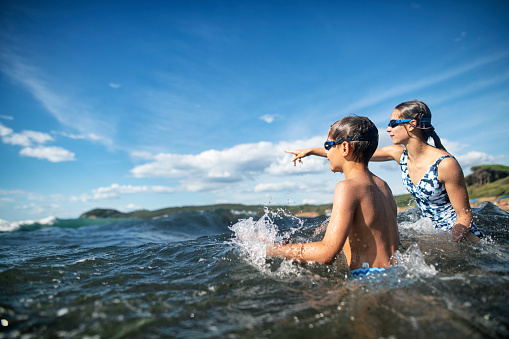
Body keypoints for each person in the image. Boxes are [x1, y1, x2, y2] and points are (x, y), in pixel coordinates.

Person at [286, 100, 481, 243]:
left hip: (458, 235)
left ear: (412, 125)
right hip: (431, 231)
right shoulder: (399, 154)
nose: (388, 129)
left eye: (393, 124)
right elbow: (354, 150)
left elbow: (464, 215)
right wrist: (312, 151)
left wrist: (451, 246)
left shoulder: (445, 164)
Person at [267, 116, 399, 278]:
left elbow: (327, 253)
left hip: (368, 278)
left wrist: (271, 248)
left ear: (344, 148)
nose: (327, 152)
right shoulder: (383, 186)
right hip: (396, 273)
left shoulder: (347, 187)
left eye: (328, 145)